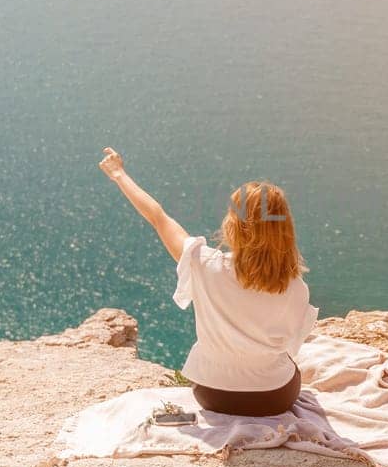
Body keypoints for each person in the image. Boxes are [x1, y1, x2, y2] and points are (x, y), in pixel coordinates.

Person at [98, 148, 317, 416]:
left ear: (234, 224)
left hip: (212, 394)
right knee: (287, 366)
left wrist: (119, 174)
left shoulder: (204, 264)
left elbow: (158, 217)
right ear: (285, 228)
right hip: (272, 398)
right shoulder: (295, 288)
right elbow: (289, 346)